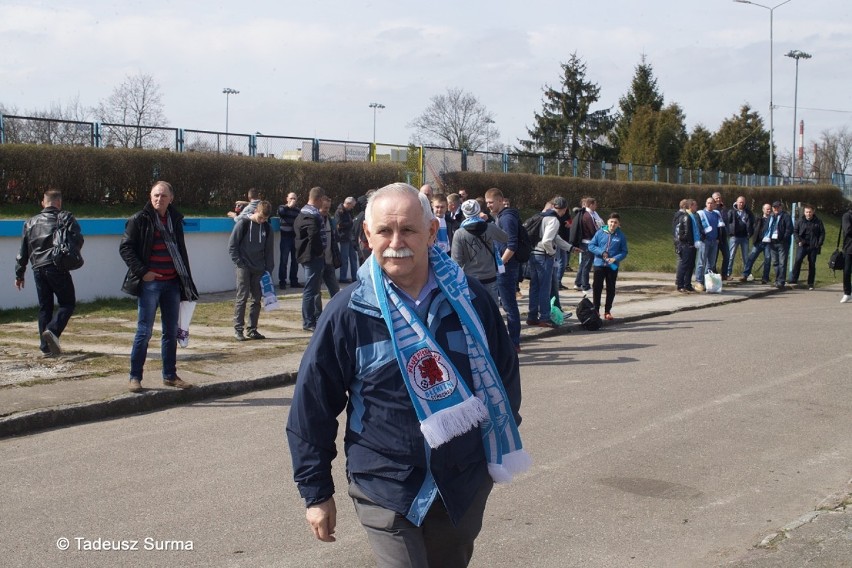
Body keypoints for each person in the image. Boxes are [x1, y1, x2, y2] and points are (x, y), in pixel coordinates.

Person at [286, 182, 528, 568]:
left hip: (461, 484)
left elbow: (503, 380)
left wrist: (483, 462)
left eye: (409, 230)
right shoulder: (347, 313)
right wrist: (315, 492)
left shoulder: (471, 301)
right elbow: (311, 407)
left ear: (432, 232)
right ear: (367, 235)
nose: (396, 241)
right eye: (384, 230)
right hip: (385, 483)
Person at [119, 181, 199, 393]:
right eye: (155, 195)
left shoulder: (175, 219)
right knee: (144, 331)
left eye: (163, 196)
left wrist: (185, 281)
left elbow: (181, 252)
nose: (158, 199)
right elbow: (126, 248)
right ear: (150, 195)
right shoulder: (139, 219)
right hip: (150, 284)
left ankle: (170, 375)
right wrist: (143, 272)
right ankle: (135, 377)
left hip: (172, 283)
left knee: (171, 332)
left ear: (171, 198)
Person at [14, 189, 84, 357]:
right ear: (59, 203)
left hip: (37, 268)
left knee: (45, 307)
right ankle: (52, 331)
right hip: (57, 266)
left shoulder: (30, 222)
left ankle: (45, 347)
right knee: (67, 303)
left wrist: (19, 274)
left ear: (43, 203)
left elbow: (23, 251)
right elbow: (77, 240)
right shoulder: (65, 218)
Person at [228, 200, 274, 341]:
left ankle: (252, 329)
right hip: (244, 266)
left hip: (259, 267)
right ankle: (238, 329)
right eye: (260, 217)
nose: (262, 221)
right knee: (242, 297)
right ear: (255, 212)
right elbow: (232, 246)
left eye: (265, 219)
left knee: (256, 299)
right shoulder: (243, 223)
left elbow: (269, 251)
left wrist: (269, 269)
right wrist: (239, 263)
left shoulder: (267, 228)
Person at [485, 187, 522, 353]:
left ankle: (514, 342)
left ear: (500, 200)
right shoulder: (499, 217)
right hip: (503, 267)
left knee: (509, 305)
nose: (489, 206)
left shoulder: (507, 219)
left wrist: (500, 265)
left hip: (506, 268)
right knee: (504, 305)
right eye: (487, 203)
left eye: (491, 202)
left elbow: (512, 245)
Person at [451, 199, 508, 305]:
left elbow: (456, 261)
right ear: (479, 211)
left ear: (464, 213)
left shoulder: (459, 233)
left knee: (475, 313)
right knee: (492, 312)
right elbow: (505, 238)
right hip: (490, 277)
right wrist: (490, 221)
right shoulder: (490, 227)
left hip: (470, 280)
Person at [527, 197, 572, 328]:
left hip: (533, 254)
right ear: (564, 210)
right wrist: (551, 253)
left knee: (534, 287)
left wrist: (569, 247)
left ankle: (532, 316)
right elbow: (548, 240)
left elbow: (555, 237)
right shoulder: (554, 220)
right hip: (544, 256)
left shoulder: (541, 216)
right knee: (544, 288)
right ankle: (545, 317)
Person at [294, 187, 329, 332]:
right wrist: (320, 252)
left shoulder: (302, 213)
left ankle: (313, 318)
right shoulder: (312, 215)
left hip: (306, 256)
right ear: (319, 199)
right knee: (311, 290)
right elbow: (313, 236)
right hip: (312, 257)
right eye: (323, 200)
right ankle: (308, 321)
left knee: (313, 289)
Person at [587, 212, 628, 320]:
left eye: (615, 222)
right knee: (597, 287)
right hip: (599, 264)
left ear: (619, 224)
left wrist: (615, 258)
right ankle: (596, 310)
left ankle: (607, 311)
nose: (613, 224)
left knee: (611, 288)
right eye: (611, 222)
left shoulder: (621, 236)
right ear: (607, 222)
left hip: (612, 266)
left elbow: (624, 251)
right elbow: (591, 245)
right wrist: (601, 252)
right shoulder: (600, 232)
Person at [789, 204, 825, 290]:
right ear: (804, 212)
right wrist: (798, 241)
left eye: (810, 212)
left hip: (813, 245)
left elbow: (822, 233)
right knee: (798, 260)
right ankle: (794, 280)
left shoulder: (818, 221)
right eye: (806, 212)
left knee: (812, 264)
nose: (808, 214)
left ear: (813, 212)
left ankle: (810, 283)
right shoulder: (800, 221)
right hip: (802, 245)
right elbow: (795, 231)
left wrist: (819, 243)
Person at [570, 197, 602, 292]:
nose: (596, 206)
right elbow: (592, 230)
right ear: (591, 205)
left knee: (583, 264)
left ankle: (578, 283)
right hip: (588, 242)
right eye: (595, 204)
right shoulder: (587, 216)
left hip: (586, 242)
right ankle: (585, 286)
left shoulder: (589, 214)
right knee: (586, 265)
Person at [740, 203, 774, 284]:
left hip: (768, 243)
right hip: (758, 242)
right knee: (751, 257)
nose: (769, 211)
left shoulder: (773, 219)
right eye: (767, 209)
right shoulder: (758, 219)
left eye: (770, 209)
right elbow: (752, 226)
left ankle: (765, 278)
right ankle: (745, 274)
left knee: (767, 259)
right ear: (763, 210)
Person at [694, 197, 722, 289]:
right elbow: (698, 227)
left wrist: (718, 238)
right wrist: (703, 237)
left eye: (711, 203)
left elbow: (719, 227)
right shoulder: (701, 214)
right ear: (706, 204)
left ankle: (707, 281)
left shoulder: (716, 214)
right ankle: (699, 281)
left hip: (714, 241)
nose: (710, 205)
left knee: (711, 263)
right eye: (708, 203)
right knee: (701, 262)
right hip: (705, 241)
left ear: (714, 204)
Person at [673, 199, 700, 293]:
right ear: (690, 206)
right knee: (684, 265)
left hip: (692, 245)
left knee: (691, 265)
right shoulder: (686, 217)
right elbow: (687, 232)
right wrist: (691, 243)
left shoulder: (692, 216)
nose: (696, 207)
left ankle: (687, 284)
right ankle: (680, 284)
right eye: (695, 205)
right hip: (686, 245)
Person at [725, 195, 754, 279]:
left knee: (746, 256)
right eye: (740, 202)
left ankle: (746, 274)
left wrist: (750, 234)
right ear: (736, 202)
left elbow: (752, 223)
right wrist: (729, 232)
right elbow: (728, 222)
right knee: (731, 256)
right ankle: (728, 273)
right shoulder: (731, 211)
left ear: (744, 203)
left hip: (745, 236)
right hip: (734, 236)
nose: (741, 204)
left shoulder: (748, 212)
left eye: (742, 202)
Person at [277, 192, 301, 288]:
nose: (293, 200)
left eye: (294, 199)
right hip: (285, 237)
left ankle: (294, 281)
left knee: (295, 261)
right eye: (291, 198)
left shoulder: (298, 211)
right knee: (284, 260)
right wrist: (289, 206)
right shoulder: (282, 207)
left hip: (295, 237)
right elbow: (281, 213)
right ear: (287, 199)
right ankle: (282, 281)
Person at [769, 201, 794, 288]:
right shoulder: (771, 217)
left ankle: (781, 281)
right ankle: (777, 279)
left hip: (782, 242)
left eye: (777, 207)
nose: (776, 209)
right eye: (774, 207)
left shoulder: (786, 216)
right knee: (775, 262)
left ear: (780, 207)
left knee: (782, 262)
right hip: (772, 242)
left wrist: (783, 238)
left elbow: (789, 229)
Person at [335, 196, 358, 283]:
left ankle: (355, 277)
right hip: (344, 237)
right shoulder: (339, 212)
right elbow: (339, 225)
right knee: (344, 258)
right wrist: (351, 222)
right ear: (348, 204)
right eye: (352, 206)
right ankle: (343, 278)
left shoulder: (348, 211)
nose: (352, 208)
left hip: (350, 237)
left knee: (353, 258)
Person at [712, 192, 731, 279]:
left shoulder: (724, 209)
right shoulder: (711, 210)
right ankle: (713, 273)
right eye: (716, 198)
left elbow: (726, 222)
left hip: (723, 236)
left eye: (719, 198)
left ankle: (724, 274)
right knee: (714, 257)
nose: (718, 199)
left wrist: (727, 232)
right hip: (715, 237)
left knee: (727, 255)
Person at [840, 205, 852, 303]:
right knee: (847, 271)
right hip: (849, 248)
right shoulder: (847, 216)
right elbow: (847, 230)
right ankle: (847, 293)